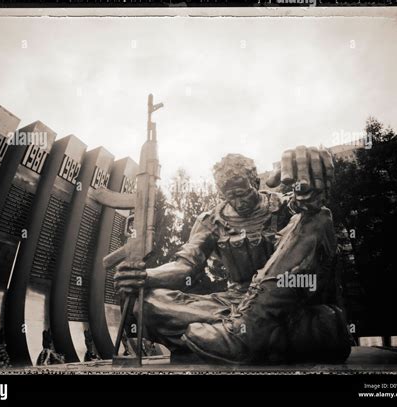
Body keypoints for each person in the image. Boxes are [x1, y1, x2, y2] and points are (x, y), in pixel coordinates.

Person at [114, 146, 352, 364]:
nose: (238, 202)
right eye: (230, 196)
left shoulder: (282, 206)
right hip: (233, 307)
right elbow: (185, 266)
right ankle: (264, 338)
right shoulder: (211, 220)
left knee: (318, 217)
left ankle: (252, 331)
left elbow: (312, 228)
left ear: (255, 181)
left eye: (242, 193)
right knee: (145, 303)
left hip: (290, 304)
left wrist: (309, 199)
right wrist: (145, 275)